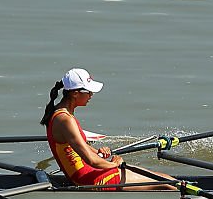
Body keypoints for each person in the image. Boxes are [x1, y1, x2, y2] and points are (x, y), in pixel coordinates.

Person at [40, 68, 175, 190]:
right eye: (89, 91)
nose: (91, 95)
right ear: (75, 93)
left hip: (91, 172)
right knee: (166, 183)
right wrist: (114, 164)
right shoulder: (65, 120)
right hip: (89, 180)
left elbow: (79, 148)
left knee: (162, 177)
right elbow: (91, 160)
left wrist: (98, 152)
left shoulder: (60, 112)